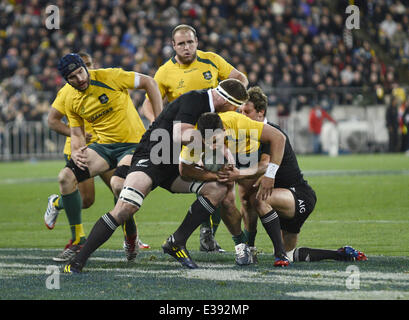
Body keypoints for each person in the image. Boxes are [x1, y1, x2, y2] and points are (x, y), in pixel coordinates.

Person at [63, 79, 266, 273]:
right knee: (126, 207)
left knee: (218, 188)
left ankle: (176, 242)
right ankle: (77, 261)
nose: (235, 112)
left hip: (172, 161)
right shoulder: (196, 99)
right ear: (228, 102)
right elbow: (181, 135)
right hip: (152, 156)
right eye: (236, 107)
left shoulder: (209, 108)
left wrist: (218, 156)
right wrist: (208, 142)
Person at [142, 24, 248, 253]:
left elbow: (239, 78)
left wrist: (233, 103)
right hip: (188, 139)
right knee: (212, 182)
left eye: (190, 42)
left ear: (197, 42)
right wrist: (159, 128)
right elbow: (147, 105)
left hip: (215, 135)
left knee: (225, 187)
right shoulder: (164, 72)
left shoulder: (211, 60)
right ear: (173, 46)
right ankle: (207, 234)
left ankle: (210, 233)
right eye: (181, 44)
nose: (187, 47)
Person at [49, 53, 162, 263]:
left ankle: (130, 237)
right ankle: (77, 240)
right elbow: (76, 131)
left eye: (81, 71)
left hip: (134, 145)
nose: (80, 78)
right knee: (65, 177)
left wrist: (160, 121)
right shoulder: (70, 98)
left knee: (118, 187)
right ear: (66, 80)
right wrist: (76, 150)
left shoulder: (111, 76)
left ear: (86, 67)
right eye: (73, 77)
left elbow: (150, 82)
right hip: (104, 147)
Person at [239, 86, 367, 263]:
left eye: (247, 111)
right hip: (281, 198)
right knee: (247, 196)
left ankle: (273, 253)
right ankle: (340, 254)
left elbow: (264, 164)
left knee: (259, 199)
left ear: (260, 112)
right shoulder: (247, 135)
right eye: (240, 111)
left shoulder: (271, 132)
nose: (242, 116)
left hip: (298, 195)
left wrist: (235, 174)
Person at [178, 110, 289, 267]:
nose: (211, 146)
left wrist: (270, 175)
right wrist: (215, 176)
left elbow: (279, 137)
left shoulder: (238, 122)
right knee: (226, 199)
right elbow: (184, 170)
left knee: (250, 199)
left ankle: (261, 247)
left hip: (247, 151)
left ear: (223, 131)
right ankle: (241, 246)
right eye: (207, 142)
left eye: (215, 140)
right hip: (224, 158)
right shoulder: (196, 138)